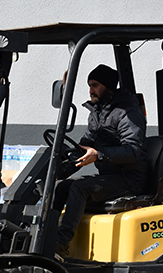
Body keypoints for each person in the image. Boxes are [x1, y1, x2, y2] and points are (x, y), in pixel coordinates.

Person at [54, 64, 148, 258]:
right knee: (61, 187)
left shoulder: (128, 113)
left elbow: (132, 150)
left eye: (95, 85)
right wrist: (58, 171)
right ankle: (47, 235)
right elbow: (85, 147)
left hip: (130, 179)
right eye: (89, 85)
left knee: (80, 188)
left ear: (108, 86)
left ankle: (60, 244)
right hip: (110, 176)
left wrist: (99, 154)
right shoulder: (98, 114)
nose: (91, 90)